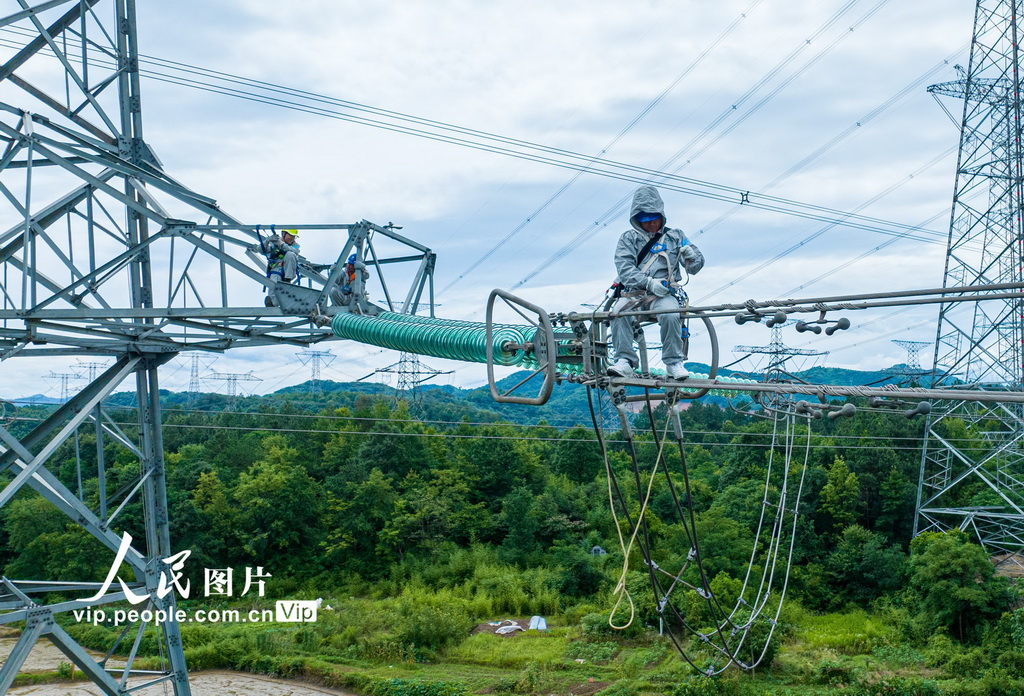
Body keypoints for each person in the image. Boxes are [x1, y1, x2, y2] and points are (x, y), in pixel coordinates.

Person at [607, 186, 704, 380]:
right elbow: (625, 269)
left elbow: (695, 268)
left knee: (670, 314)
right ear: (637, 219)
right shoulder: (628, 239)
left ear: (661, 215)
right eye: (645, 219)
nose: (651, 223)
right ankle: (625, 361)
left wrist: (691, 256)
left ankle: (673, 362)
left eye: (654, 218)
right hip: (634, 294)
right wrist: (649, 283)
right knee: (618, 313)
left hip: (664, 295)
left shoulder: (676, 236)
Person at [259, 228, 300, 306]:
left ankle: (287, 281)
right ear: (284, 234)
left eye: (294, 236)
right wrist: (267, 241)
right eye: (291, 235)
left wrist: (280, 244)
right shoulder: (274, 245)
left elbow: (294, 251)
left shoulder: (295, 245)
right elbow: (261, 250)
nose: (292, 238)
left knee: (290, 254)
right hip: (276, 270)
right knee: (274, 286)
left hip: (288, 271)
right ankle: (272, 304)